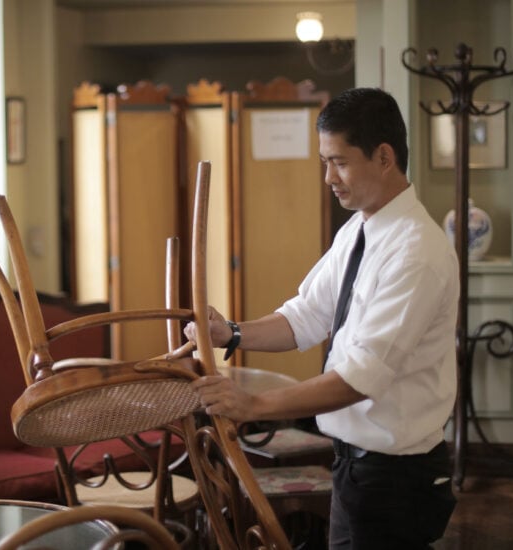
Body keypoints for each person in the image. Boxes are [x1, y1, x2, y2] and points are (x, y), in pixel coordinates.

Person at [186, 87, 458, 549]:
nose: (328, 177)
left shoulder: (416, 252)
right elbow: (306, 316)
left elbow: (358, 379)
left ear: (385, 156)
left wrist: (251, 406)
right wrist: (229, 333)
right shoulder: (359, 228)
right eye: (324, 162)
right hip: (353, 466)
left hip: (394, 478)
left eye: (340, 161)